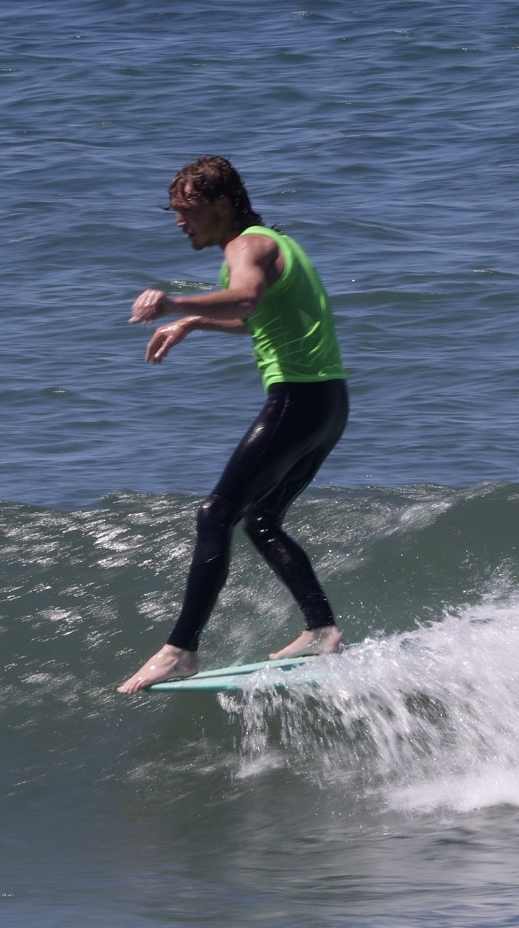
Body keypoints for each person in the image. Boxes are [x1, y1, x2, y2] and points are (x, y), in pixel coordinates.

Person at [117, 156, 349, 694]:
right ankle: (323, 628)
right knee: (261, 520)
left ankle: (180, 650)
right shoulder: (268, 246)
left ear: (223, 204)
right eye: (173, 211)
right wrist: (197, 320)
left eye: (189, 209)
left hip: (299, 397)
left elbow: (245, 297)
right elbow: (254, 316)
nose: (180, 221)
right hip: (329, 403)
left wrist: (173, 300)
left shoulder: (246, 247)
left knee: (216, 513)